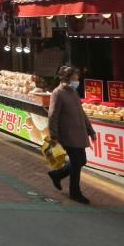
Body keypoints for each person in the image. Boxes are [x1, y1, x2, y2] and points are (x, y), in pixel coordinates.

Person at [47, 65, 96, 204]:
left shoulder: (73, 92)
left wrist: (90, 130)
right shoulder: (58, 93)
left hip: (79, 132)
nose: (77, 81)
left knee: (82, 161)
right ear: (66, 78)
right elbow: (53, 116)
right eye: (74, 78)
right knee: (76, 163)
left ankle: (56, 174)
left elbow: (81, 112)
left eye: (77, 78)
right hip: (67, 134)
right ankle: (75, 192)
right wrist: (54, 136)